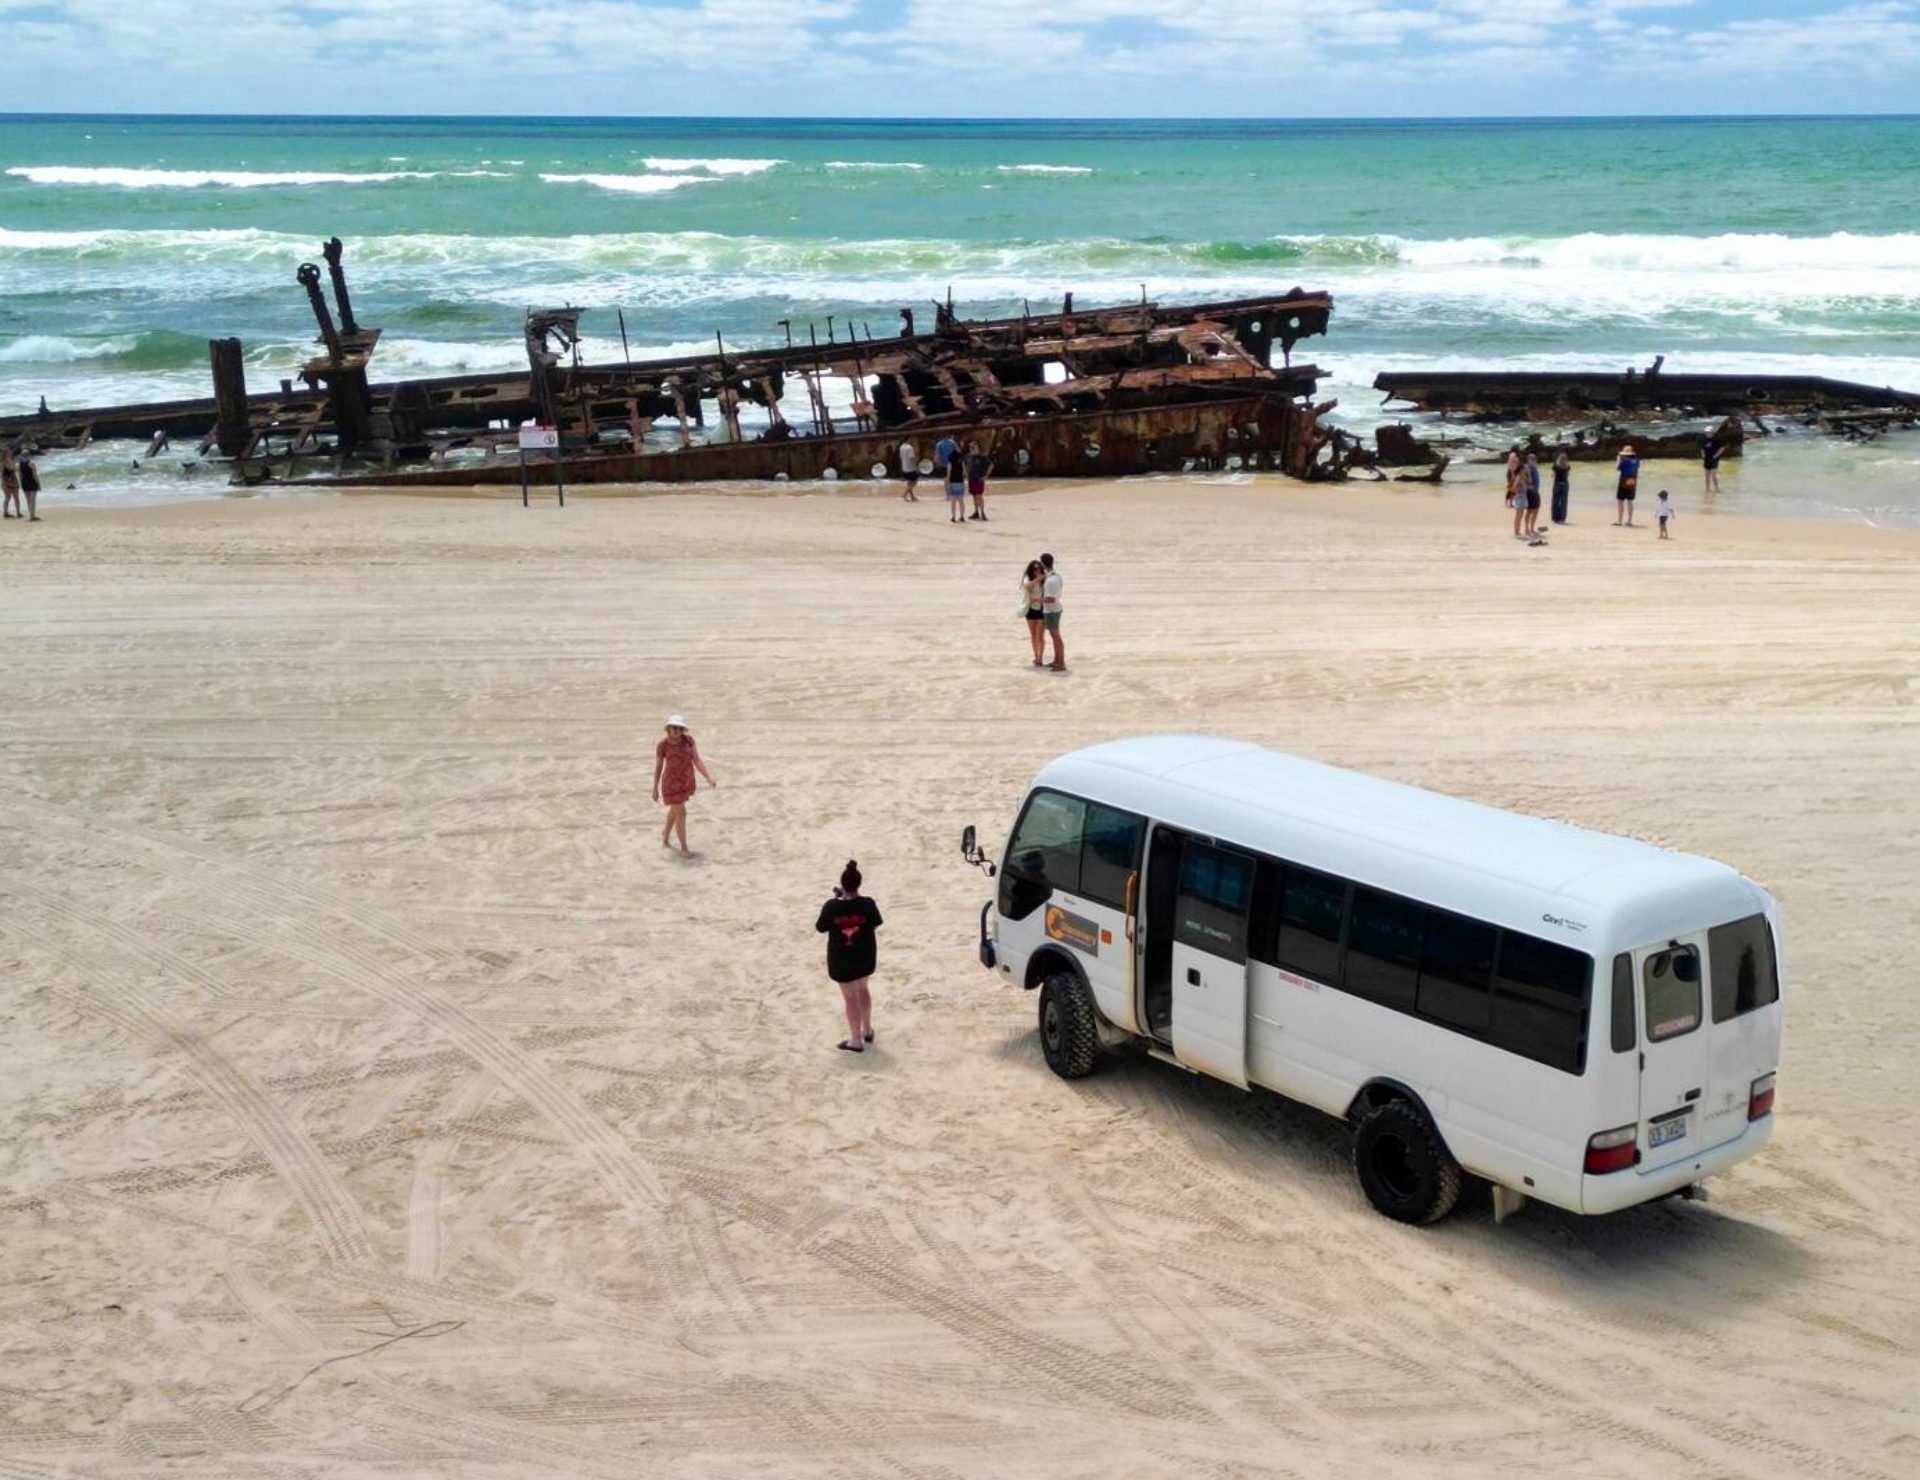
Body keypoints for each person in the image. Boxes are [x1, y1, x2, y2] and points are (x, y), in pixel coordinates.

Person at [816, 860, 882, 1053]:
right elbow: (876, 923)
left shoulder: (831, 906)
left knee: (850, 997)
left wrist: (838, 901)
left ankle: (855, 1040)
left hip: (842, 959)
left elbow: (820, 927)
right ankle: (867, 1030)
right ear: (858, 884)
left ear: (843, 885)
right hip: (864, 955)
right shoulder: (868, 904)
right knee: (863, 989)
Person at [651, 714, 715, 858]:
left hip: (686, 781)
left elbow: (697, 760)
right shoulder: (662, 745)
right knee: (681, 813)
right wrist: (655, 788)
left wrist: (708, 777)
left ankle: (665, 836)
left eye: (680, 728)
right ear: (668, 728)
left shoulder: (689, 741)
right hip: (671, 784)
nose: (676, 731)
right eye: (674, 727)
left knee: (674, 811)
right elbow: (658, 767)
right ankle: (684, 847)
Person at [1039, 552, 1066, 672]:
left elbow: (1050, 599)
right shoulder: (1056, 576)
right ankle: (1057, 660)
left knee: (1056, 637)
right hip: (1054, 609)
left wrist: (1036, 599)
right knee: (1055, 636)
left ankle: (1061, 663)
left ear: (1043, 564)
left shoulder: (1050, 581)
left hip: (1051, 611)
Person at [1020, 559, 1047, 668]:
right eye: (1035, 569)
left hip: (1042, 609)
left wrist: (1038, 599)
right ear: (1031, 570)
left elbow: (1046, 597)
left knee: (1040, 635)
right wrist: (1037, 579)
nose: (1038, 571)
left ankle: (1040, 658)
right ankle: (1036, 656)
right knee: (1033, 635)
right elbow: (1026, 587)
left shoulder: (1045, 580)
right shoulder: (1029, 579)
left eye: (1040, 568)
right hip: (1030, 610)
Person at [965, 441, 992, 521]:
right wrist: (966, 474)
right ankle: (976, 512)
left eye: (973, 447)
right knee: (974, 496)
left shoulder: (982, 457)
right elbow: (965, 464)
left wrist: (986, 475)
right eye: (971, 447)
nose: (972, 449)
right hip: (971, 478)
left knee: (979, 496)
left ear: (977, 448)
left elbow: (991, 465)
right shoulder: (968, 456)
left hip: (979, 479)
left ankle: (982, 512)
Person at [1615, 444, 1640, 527]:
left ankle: (1619, 521)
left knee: (1620, 500)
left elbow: (1617, 468)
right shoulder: (1637, 459)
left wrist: (1618, 459)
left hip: (1623, 481)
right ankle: (1629, 520)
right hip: (1633, 481)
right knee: (1630, 501)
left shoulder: (1624, 460)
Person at [1523, 452, 1543, 539]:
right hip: (1530, 492)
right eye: (1531, 459)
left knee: (1536, 510)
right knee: (1529, 511)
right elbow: (1523, 479)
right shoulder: (1526, 468)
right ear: (1528, 460)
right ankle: (1527, 529)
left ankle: (1531, 528)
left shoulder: (1534, 467)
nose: (1534, 460)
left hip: (1536, 492)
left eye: (1534, 458)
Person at [944, 449, 967, 522]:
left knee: (953, 501)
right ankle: (962, 516)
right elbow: (964, 472)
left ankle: (953, 516)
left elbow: (949, 472)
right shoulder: (961, 462)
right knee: (961, 500)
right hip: (960, 481)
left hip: (953, 481)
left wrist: (948, 481)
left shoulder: (950, 462)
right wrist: (963, 480)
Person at [18, 450, 40, 522]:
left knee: (28, 500)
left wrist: (21, 484)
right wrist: (39, 484)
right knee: (32, 500)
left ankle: (31, 515)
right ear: (29, 456)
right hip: (32, 482)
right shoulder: (31, 463)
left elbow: (20, 476)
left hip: (25, 482)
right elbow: (35, 475)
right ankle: (32, 516)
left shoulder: (19, 464)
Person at [1550, 448, 1571, 524]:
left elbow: (1552, 475)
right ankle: (1562, 519)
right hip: (1565, 484)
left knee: (1555, 501)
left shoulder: (1555, 466)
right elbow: (1567, 475)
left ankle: (1555, 518)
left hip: (1557, 484)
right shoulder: (1567, 466)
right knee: (1564, 502)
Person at [0, 447, 18, 520]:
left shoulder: (12, 461)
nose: (10, 453)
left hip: (14, 480)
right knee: (8, 497)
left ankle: (18, 512)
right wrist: (2, 483)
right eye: (8, 453)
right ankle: (5, 513)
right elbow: (1, 474)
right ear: (5, 454)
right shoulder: (2, 463)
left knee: (16, 497)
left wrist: (13, 465)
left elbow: (16, 470)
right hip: (6, 481)